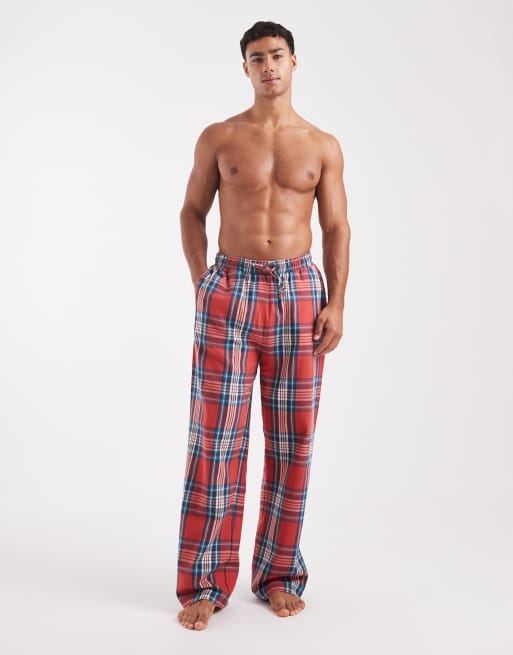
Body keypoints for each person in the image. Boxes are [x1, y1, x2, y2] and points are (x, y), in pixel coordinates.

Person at [176, 20, 350, 630]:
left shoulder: (322, 144)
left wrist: (337, 302)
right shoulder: (220, 137)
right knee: (215, 438)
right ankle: (205, 581)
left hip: (298, 292)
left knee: (292, 439)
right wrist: (203, 282)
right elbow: (191, 211)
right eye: (257, 58)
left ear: (294, 62)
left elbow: (336, 227)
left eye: (277, 55)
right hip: (230, 288)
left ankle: (278, 574)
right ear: (245, 68)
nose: (268, 65)